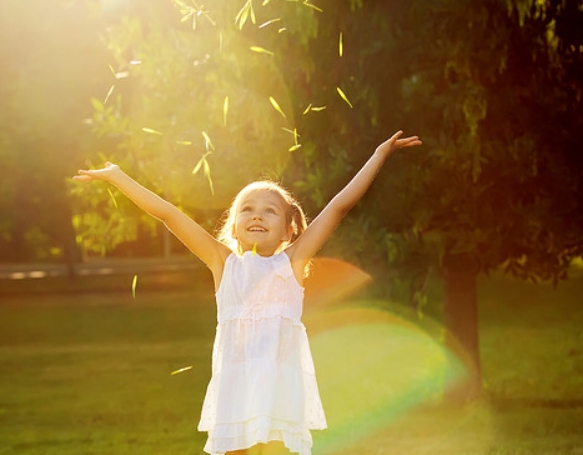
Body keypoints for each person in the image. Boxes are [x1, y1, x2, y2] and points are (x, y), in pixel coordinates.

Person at [73, 131, 422, 455]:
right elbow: (167, 214)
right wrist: (118, 177)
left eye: (270, 211)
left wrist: (379, 154)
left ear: (288, 230)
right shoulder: (223, 264)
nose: (257, 216)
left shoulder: (292, 262)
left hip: (280, 392)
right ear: (234, 227)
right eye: (247, 209)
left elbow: (338, 207)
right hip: (237, 391)